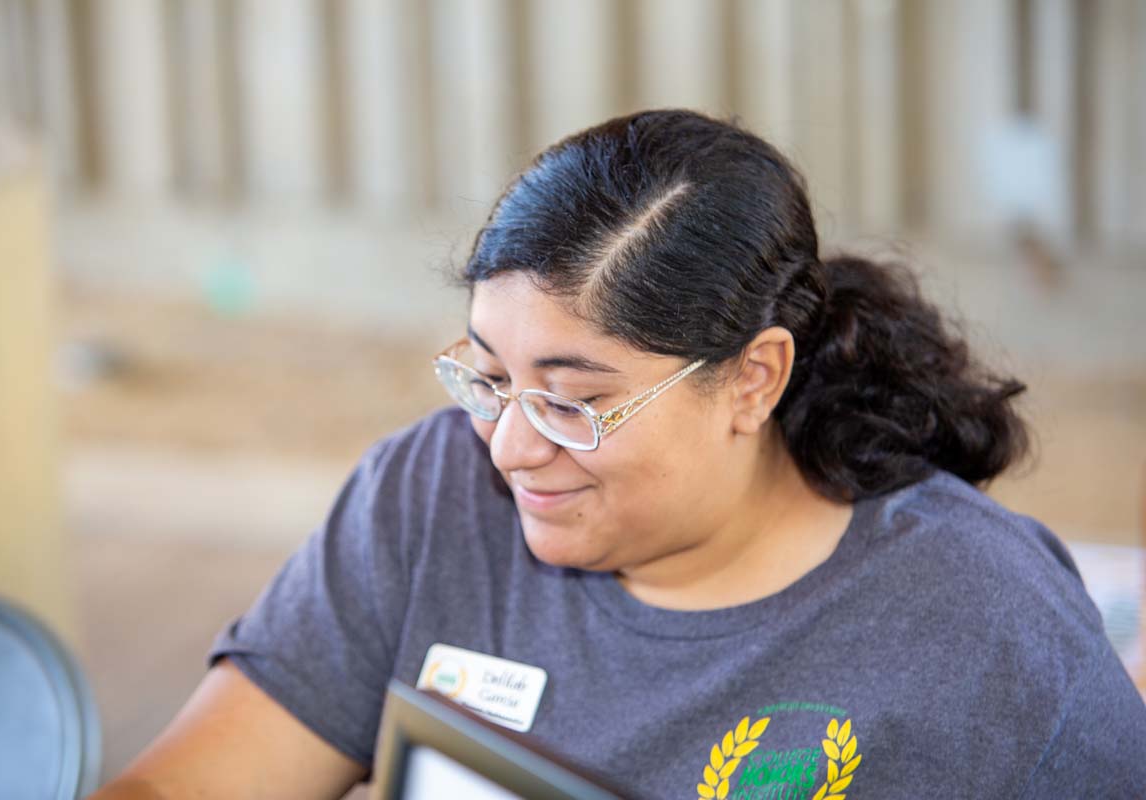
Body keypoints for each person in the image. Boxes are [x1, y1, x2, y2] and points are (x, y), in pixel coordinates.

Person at [91, 109, 1146, 800]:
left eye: (572, 401)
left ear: (753, 378)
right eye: (489, 377)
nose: (508, 447)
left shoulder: (980, 625)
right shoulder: (428, 500)